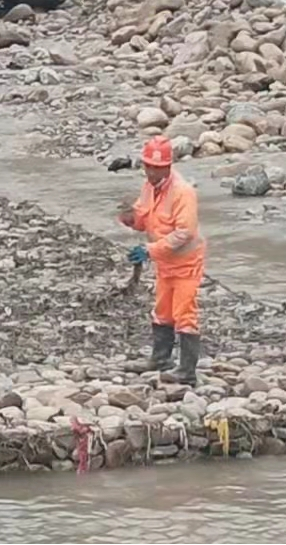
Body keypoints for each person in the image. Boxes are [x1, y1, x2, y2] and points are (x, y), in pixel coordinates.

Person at [118, 136, 205, 385]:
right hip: (165, 261)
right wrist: (130, 219)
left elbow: (184, 232)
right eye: (148, 166)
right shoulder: (149, 187)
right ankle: (161, 358)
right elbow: (144, 218)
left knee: (184, 313)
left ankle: (187, 371)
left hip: (186, 261)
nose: (152, 172)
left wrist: (150, 250)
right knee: (163, 311)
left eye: (157, 167)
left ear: (168, 166)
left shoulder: (182, 192)